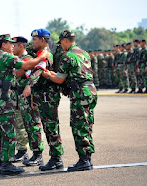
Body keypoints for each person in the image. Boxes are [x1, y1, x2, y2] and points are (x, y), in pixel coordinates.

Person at [0, 34, 49, 175]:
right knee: (9, 132)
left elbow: (16, 72)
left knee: (3, 132)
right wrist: (42, 57)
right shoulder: (5, 56)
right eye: (10, 44)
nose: (12, 46)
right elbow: (26, 65)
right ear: (3, 44)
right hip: (4, 100)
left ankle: (4, 161)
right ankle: (6, 164)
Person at [42, 29, 97, 172]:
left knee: (79, 126)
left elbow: (59, 79)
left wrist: (47, 75)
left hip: (79, 93)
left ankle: (84, 160)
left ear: (65, 40)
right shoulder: (84, 53)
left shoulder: (67, 56)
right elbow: (68, 74)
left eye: (61, 42)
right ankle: (87, 159)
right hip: (90, 91)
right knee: (87, 124)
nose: (61, 46)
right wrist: (53, 74)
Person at [22, 28, 64, 170]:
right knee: (47, 126)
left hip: (48, 95)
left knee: (51, 126)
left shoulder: (45, 54)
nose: (32, 42)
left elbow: (39, 70)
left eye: (35, 39)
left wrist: (29, 85)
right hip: (42, 95)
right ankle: (55, 158)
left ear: (42, 40)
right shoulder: (39, 53)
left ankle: (57, 158)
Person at [11, 36, 31, 162]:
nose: (12, 47)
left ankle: (24, 150)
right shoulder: (18, 60)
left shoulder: (27, 60)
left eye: (15, 45)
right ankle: (21, 150)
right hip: (17, 95)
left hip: (26, 97)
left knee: (26, 124)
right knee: (18, 124)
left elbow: (17, 74)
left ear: (21, 46)